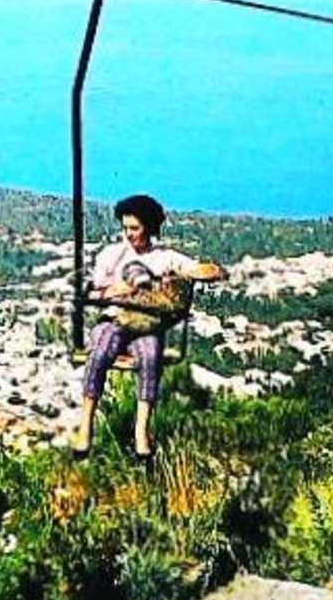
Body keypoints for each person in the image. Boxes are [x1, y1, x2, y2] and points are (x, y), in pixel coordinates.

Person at [72, 193, 225, 460]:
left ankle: (141, 432)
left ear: (149, 228)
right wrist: (117, 290)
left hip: (146, 324)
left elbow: (212, 270)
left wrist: (191, 274)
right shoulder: (111, 255)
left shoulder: (164, 257)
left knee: (150, 355)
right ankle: (86, 425)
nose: (129, 234)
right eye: (125, 228)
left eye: (135, 228)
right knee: (102, 349)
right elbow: (95, 292)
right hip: (115, 318)